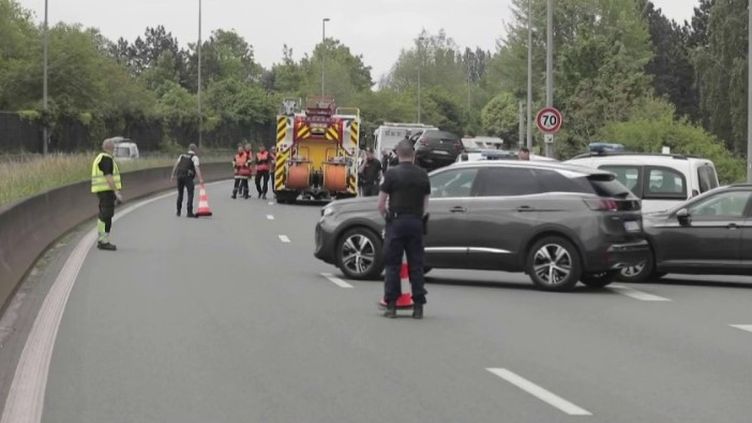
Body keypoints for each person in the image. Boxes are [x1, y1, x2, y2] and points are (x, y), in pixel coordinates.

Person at [377, 140, 431, 319]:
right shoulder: (423, 175)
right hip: (416, 222)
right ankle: (418, 307)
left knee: (393, 265)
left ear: (398, 154)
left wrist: (387, 217)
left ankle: (391, 306)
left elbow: (381, 203)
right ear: (413, 155)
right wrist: (418, 218)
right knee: (416, 265)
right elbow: (426, 204)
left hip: (397, 222)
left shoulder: (392, 174)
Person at [91, 138, 124, 251]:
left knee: (105, 214)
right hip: (106, 190)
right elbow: (108, 176)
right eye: (114, 147)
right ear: (111, 148)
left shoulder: (100, 158)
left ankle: (103, 239)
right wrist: (116, 191)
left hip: (102, 190)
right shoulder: (106, 158)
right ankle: (103, 240)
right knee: (105, 215)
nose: (114, 149)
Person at [170, 143, 204, 217]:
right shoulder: (194, 157)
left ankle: (178, 211)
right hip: (187, 176)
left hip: (179, 175)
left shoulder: (182, 155)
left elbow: (176, 164)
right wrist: (200, 179)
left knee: (180, 193)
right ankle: (189, 212)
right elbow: (196, 168)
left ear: (188, 149)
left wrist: (172, 175)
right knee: (190, 193)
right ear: (195, 149)